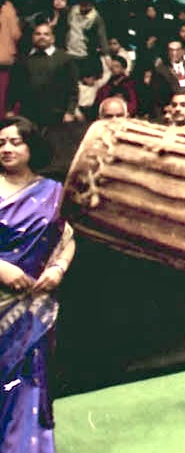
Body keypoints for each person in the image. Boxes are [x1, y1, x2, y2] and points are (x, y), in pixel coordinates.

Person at [0, 116, 76, 451]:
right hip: (2, 300)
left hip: (38, 305)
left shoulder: (53, 191)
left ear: (32, 146)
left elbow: (68, 237)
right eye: (1, 143)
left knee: (32, 380)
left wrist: (58, 268)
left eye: (16, 142)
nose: (6, 149)